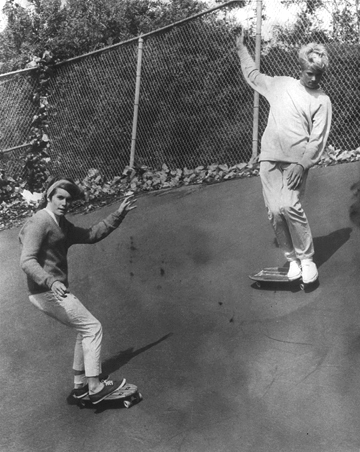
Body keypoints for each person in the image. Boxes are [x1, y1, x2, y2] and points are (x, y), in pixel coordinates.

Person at [19, 177, 136, 404]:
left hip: (53, 289)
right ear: (49, 197)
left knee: (84, 330)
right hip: (45, 290)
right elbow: (26, 260)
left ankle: (80, 385)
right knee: (93, 328)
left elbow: (91, 235)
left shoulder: (61, 224)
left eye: (68, 200)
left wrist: (118, 214)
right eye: (60, 198)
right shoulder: (39, 222)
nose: (64, 203)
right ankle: (95, 387)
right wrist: (50, 281)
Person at [236, 30, 332, 284]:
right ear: (301, 68)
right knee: (274, 212)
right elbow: (253, 76)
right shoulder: (281, 84)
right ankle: (292, 261)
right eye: (309, 73)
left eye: (318, 75)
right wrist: (241, 50)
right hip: (268, 158)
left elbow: (318, 139)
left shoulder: (322, 100)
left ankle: (307, 260)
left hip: (295, 163)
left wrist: (302, 164)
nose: (313, 79)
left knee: (290, 206)